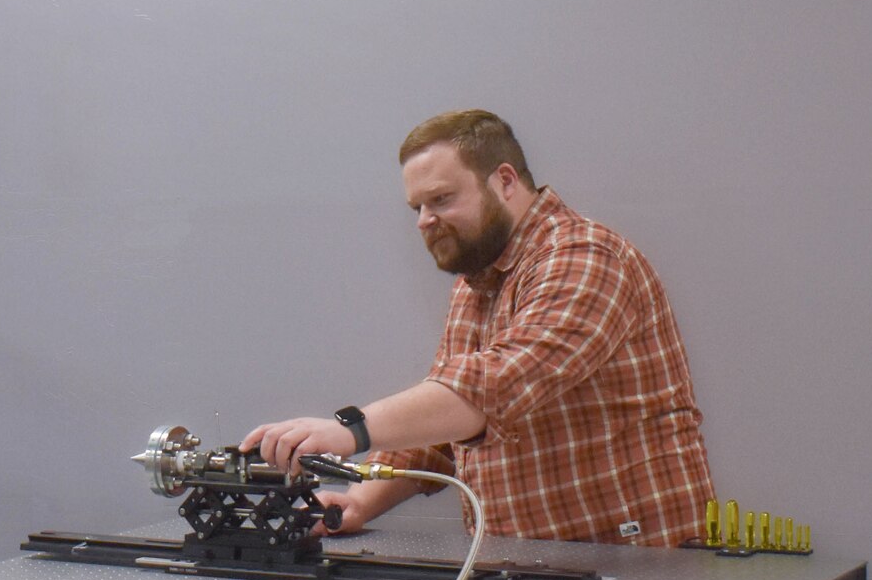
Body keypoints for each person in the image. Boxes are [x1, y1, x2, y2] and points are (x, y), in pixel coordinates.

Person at [242, 109, 712, 546]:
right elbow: (447, 427)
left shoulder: (586, 257)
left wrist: (350, 430)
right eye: (417, 208)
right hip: (538, 565)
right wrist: (359, 500)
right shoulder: (476, 283)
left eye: (441, 199)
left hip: (635, 561)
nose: (426, 221)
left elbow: (495, 387)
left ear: (504, 181)